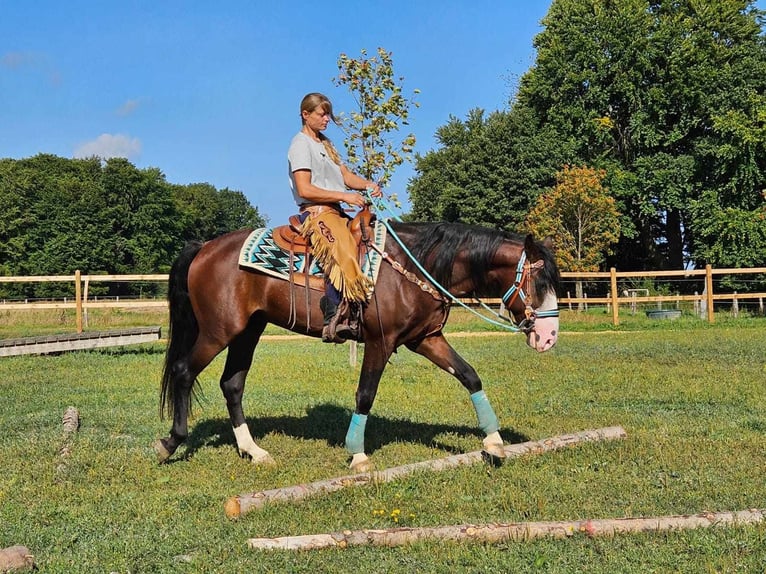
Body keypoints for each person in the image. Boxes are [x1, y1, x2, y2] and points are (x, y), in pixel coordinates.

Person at [288, 92, 382, 343]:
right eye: (321, 114)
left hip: (336, 210)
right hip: (317, 212)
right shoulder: (300, 144)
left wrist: (367, 185)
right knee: (343, 248)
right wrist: (346, 196)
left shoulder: (326, 145)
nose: (327, 119)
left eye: (328, 113)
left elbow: (347, 177)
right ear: (305, 115)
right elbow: (305, 189)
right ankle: (335, 316)